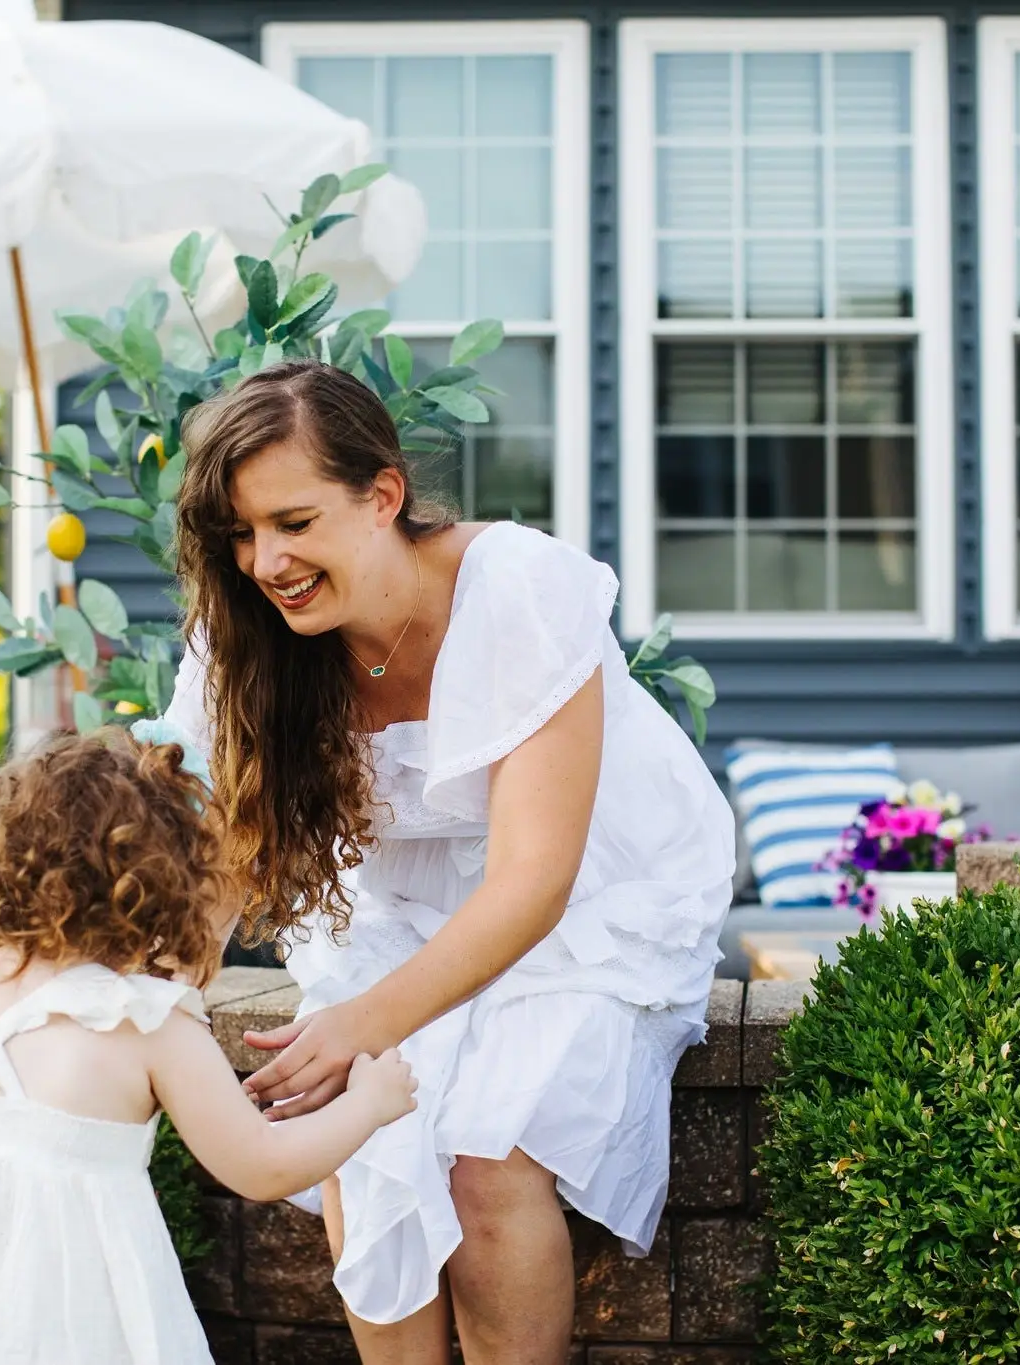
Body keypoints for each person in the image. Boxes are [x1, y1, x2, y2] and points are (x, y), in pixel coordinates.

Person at [163, 359, 735, 1364]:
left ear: (383, 495)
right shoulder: (246, 632)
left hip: (589, 903)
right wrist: (137, 998)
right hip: (399, 912)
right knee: (361, 1133)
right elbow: (217, 858)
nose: (266, 562)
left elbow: (533, 882)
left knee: (483, 1158)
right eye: (241, 533)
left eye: (293, 522)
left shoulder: (514, 586)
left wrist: (360, 1024)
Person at [0, 729, 419, 1365]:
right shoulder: (147, 1020)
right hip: (91, 1320)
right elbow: (262, 1166)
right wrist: (368, 1105)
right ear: (167, 884)